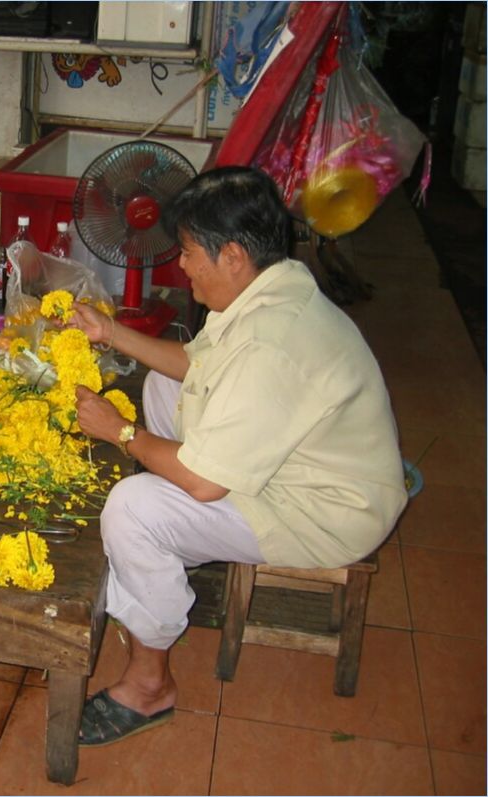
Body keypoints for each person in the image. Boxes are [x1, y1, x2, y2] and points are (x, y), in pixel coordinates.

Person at [68, 165, 407, 747]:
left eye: (190, 251)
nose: (181, 265)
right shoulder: (272, 288)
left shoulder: (271, 344)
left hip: (324, 512)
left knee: (132, 507)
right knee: (161, 387)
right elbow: (197, 365)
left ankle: (151, 686)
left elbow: (203, 483)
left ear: (231, 256)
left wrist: (120, 432)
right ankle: (168, 554)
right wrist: (110, 333)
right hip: (302, 464)